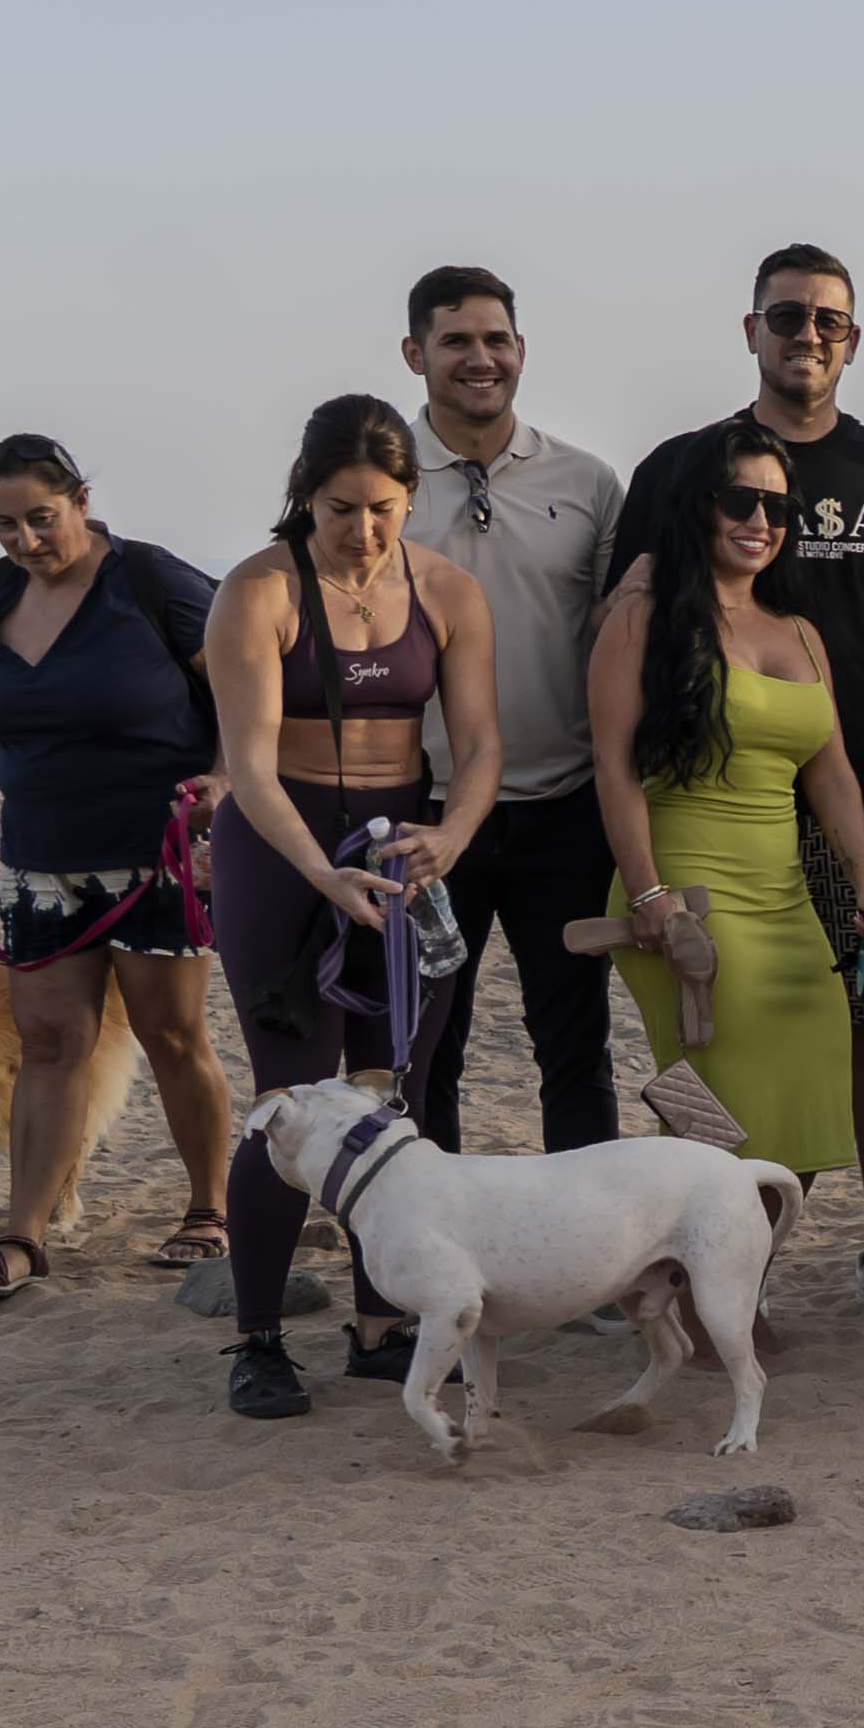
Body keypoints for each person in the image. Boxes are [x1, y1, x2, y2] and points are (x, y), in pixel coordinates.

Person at [629, 245, 864, 1321]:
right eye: (787, 316)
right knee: (712, 1049)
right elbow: (627, 633)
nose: (806, 334)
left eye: (827, 319)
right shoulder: (682, 470)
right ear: (751, 330)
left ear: (852, 338)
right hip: (713, 814)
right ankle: (706, 1249)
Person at [198, 396, 502, 1414]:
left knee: (391, 1095)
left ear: (411, 495)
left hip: (403, 855)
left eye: (381, 508)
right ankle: (258, 1337)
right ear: (305, 494)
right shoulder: (259, 592)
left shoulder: (449, 589)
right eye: (339, 508)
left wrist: (451, 833)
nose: (363, 531)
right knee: (289, 1101)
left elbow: (481, 743)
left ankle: (379, 1325)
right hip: (284, 852)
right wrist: (321, 874)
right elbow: (245, 765)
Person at [0, 436, 232, 1307]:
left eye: (40, 518)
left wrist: (227, 779)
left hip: (158, 854)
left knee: (172, 1037)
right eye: (4, 523)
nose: (24, 539)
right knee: (52, 1043)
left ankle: (210, 1208)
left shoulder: (153, 582)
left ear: (82, 499)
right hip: (38, 860)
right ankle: (23, 1235)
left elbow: (242, 695)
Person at [589, 425, 864, 1233]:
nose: (760, 518)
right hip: (683, 893)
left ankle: (737, 1270)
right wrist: (649, 891)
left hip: (785, 900)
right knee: (714, 1100)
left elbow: (830, 771)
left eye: (777, 504)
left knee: (810, 1082)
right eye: (739, 499)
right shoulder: (643, 617)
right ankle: (700, 1276)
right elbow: (613, 766)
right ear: (698, 508)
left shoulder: (797, 630)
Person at [394, 266, 625, 1156]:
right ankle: (433, 1256)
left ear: (521, 351)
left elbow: (621, 642)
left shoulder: (590, 481)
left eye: (496, 339)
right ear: (415, 353)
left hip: (563, 809)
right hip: (424, 814)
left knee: (575, 1048)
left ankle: (591, 1262)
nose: (478, 358)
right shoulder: (382, 484)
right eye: (455, 340)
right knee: (424, 1052)